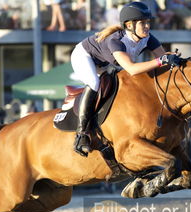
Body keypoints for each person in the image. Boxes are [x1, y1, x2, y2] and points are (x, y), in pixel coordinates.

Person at [70, 1, 180, 157]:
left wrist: (176, 60)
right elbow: (132, 69)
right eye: (143, 23)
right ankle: (81, 134)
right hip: (84, 56)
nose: (147, 26)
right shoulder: (116, 41)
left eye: (148, 22)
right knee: (94, 83)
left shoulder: (148, 38)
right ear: (129, 26)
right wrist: (161, 61)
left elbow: (163, 58)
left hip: (107, 63)